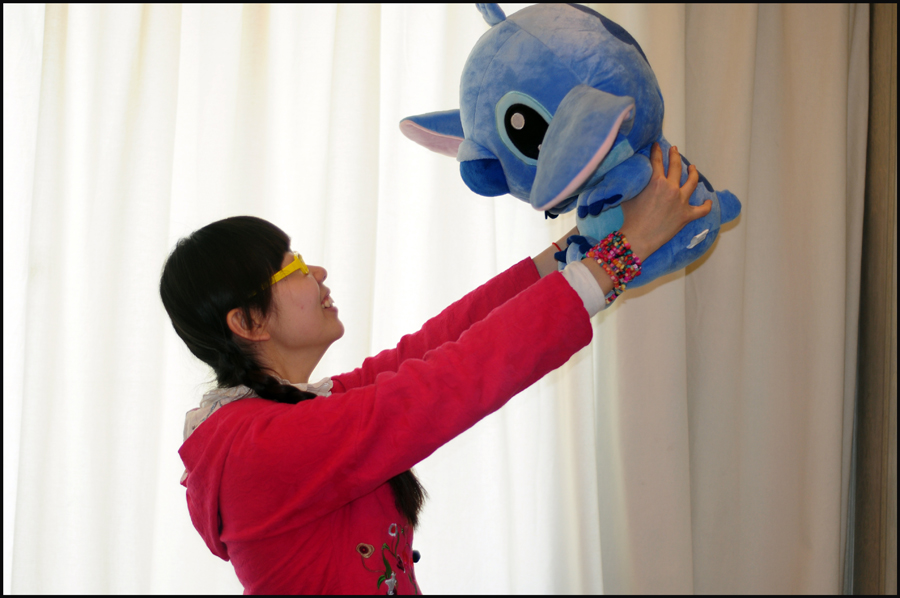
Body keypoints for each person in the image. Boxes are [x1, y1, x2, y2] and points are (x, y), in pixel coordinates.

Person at [159, 143, 709, 594]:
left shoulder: (291, 411)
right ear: (248, 322)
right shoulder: (261, 447)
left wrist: (577, 247)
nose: (318, 271)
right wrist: (625, 251)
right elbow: (451, 380)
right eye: (295, 268)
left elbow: (435, 347)